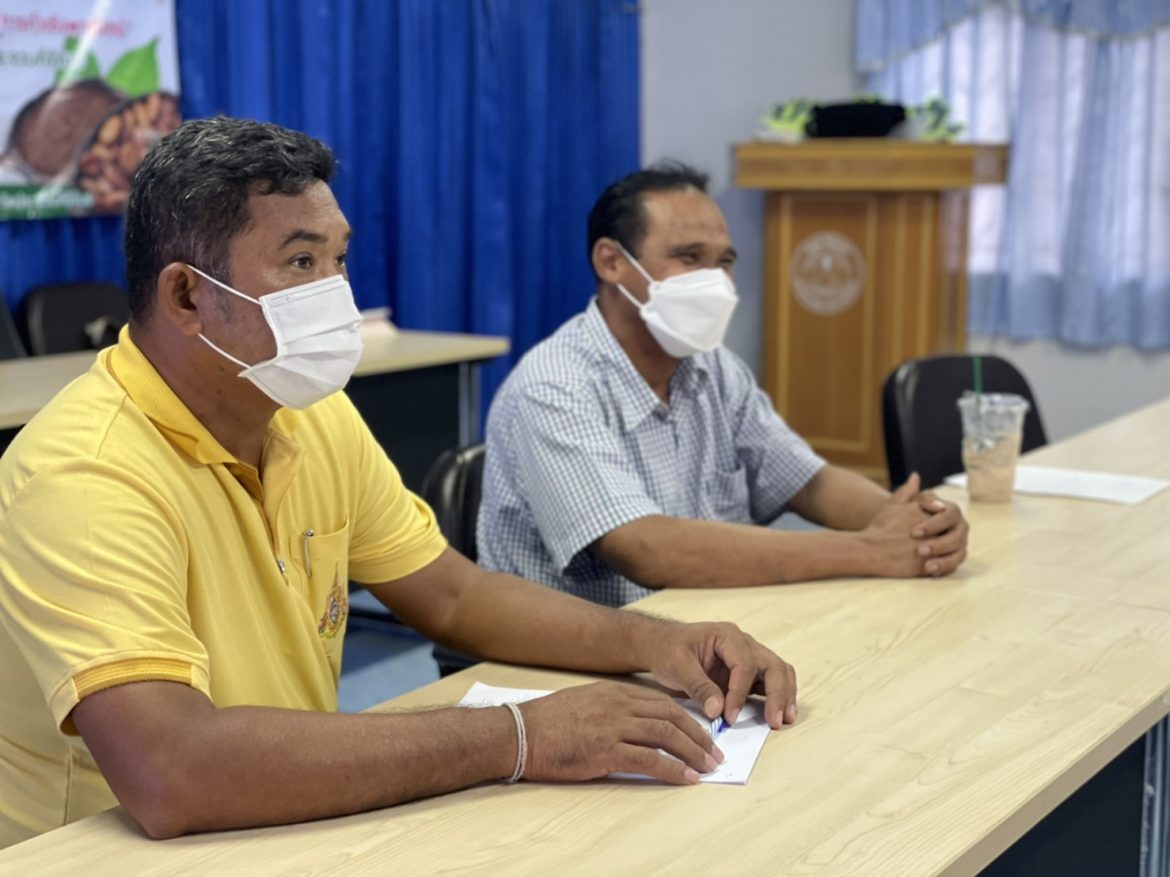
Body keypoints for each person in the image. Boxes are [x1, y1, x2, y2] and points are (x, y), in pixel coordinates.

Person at [0, 120, 798, 849]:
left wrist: (657, 642)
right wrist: (520, 737)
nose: (336, 294)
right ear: (186, 295)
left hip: (280, 819)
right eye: (301, 262)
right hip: (108, 850)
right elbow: (173, 769)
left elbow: (452, 595)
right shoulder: (83, 474)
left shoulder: (308, 415)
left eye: (339, 259)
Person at [478, 162, 970, 609]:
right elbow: (646, 549)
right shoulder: (553, 386)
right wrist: (867, 550)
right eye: (689, 258)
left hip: (708, 627)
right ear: (611, 262)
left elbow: (809, 481)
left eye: (724, 262)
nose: (716, 282)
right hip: (576, 659)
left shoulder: (713, 368)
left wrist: (915, 522)